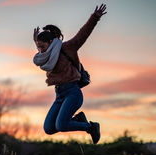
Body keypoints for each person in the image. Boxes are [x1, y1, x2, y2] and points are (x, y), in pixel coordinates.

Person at [33, 4, 107, 144]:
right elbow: (42, 51)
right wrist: (36, 41)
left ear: (51, 42)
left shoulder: (68, 47)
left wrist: (95, 17)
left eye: (42, 47)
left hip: (73, 92)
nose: (40, 51)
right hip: (59, 94)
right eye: (38, 47)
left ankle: (91, 127)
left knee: (61, 125)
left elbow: (82, 35)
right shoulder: (46, 56)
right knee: (49, 128)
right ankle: (78, 119)